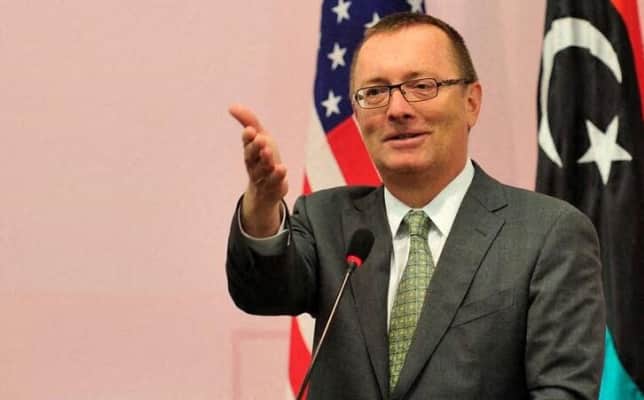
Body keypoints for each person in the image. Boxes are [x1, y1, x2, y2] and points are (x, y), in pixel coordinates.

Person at [226, 12, 605, 400]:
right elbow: (262, 292)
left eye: (422, 86)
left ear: (472, 102)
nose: (397, 110)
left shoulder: (548, 234)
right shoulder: (327, 221)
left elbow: (563, 392)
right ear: (356, 114)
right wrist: (262, 204)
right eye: (375, 92)